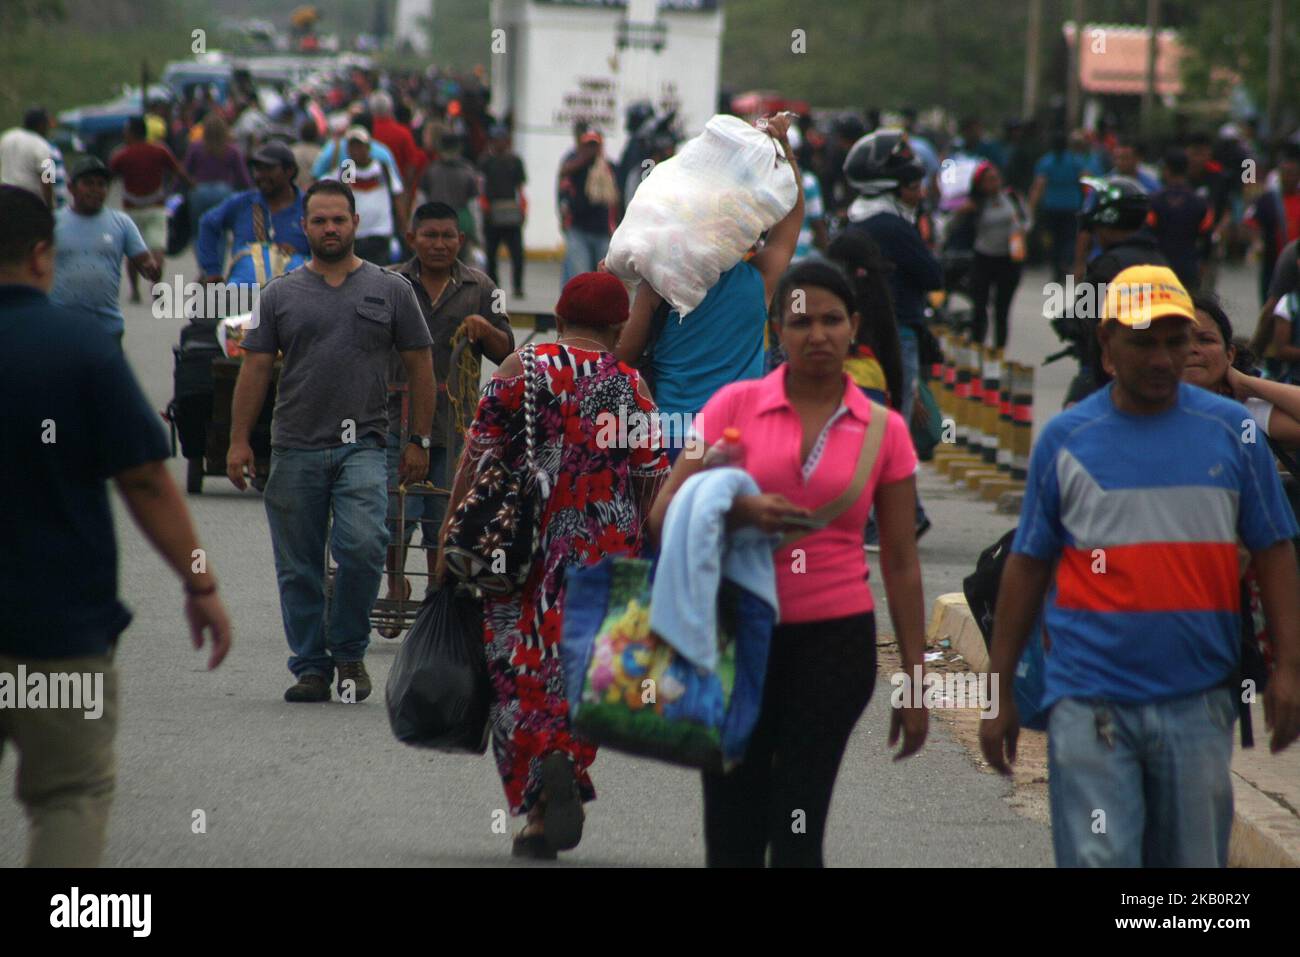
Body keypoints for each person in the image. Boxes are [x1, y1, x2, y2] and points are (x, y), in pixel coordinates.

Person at [981, 265, 1300, 868]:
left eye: (1175, 340)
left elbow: (1275, 548)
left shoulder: (1234, 434)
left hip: (1198, 701)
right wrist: (1002, 691)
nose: (1162, 357)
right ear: (1107, 348)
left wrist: (1288, 669)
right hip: (1088, 701)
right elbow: (1027, 565)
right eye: (1143, 341)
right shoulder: (1067, 440)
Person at [648, 260, 929, 867]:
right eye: (800, 322)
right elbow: (663, 513)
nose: (817, 335)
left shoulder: (886, 430)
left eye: (832, 320)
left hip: (834, 646)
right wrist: (735, 511)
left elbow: (902, 564)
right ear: (776, 329)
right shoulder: (730, 405)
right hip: (733, 638)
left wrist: (912, 680)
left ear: (854, 326)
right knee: (733, 826)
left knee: (799, 828)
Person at [0, 185, 232, 867]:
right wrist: (201, 582)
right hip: (59, 630)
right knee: (70, 794)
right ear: (43, 255)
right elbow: (144, 479)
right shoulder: (80, 347)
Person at [437, 272, 670, 858]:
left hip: (514, 546)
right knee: (588, 670)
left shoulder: (519, 368)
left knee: (515, 666)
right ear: (619, 327)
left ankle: (538, 801)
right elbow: (649, 479)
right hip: (605, 548)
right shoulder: (631, 385)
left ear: (561, 316)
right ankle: (566, 757)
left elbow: (479, 454)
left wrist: (448, 532)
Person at [227, 180, 434, 703]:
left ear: (356, 223)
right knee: (298, 564)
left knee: (363, 547)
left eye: (338, 219)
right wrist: (238, 442)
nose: (330, 228)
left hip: (364, 445)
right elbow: (253, 369)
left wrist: (420, 440)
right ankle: (311, 667)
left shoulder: (391, 290)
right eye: (319, 220)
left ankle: (348, 652)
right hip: (295, 445)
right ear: (304, 226)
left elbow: (421, 367)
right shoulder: (280, 294)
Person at [615, 113, 804, 460]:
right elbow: (791, 221)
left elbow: (622, 357)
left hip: (672, 436)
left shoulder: (661, 282)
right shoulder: (758, 280)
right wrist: (785, 151)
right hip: (737, 439)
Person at [381, 201, 514, 624]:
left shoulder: (481, 287)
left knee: (445, 513)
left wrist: (484, 328)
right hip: (393, 417)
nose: (439, 244)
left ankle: (435, 593)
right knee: (394, 511)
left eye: (448, 236)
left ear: (461, 240)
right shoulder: (389, 283)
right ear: (412, 238)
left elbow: (507, 350)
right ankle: (394, 581)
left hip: (455, 424)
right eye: (430, 236)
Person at [843, 127, 941, 539]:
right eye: (913, 185)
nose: (920, 192)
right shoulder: (893, 226)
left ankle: (907, 515)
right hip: (898, 332)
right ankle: (877, 522)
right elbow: (932, 273)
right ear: (890, 186)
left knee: (878, 422)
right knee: (892, 428)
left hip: (871, 333)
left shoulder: (857, 217)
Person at [1063, 175, 1168, 404]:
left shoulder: (1108, 266)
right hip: (1159, 371)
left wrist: (1070, 323)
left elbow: (1089, 323)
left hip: (1112, 375)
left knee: (1071, 420)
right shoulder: (1160, 261)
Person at [49, 157, 160, 341]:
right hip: (61, 327)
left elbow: (145, 263)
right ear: (71, 188)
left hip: (107, 327)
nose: (95, 190)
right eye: (88, 183)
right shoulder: (52, 223)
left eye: (101, 185)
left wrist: (152, 269)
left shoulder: (122, 223)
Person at [1184, 294, 1300, 446]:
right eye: (1179, 341)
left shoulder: (1244, 409)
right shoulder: (1146, 410)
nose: (1192, 349)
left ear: (1229, 355)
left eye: (1206, 340)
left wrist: (1247, 384)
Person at [197, 141, 309, 289]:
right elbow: (208, 223)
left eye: (269, 169)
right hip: (243, 294)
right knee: (201, 308)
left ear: (289, 171)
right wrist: (212, 271)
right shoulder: (242, 203)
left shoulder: (308, 206)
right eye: (257, 169)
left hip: (294, 293)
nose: (261, 175)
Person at [109, 116, 193, 302]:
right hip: (156, 207)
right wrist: (187, 186)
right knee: (157, 250)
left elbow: (109, 178)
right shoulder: (159, 151)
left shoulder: (122, 155)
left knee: (133, 252)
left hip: (131, 211)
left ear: (131, 132)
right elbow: (179, 172)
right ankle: (156, 286)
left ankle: (135, 291)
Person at [955, 161, 1026, 349]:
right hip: (984, 258)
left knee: (1001, 310)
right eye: (988, 180)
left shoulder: (1011, 197)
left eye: (995, 179)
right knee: (979, 306)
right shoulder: (976, 204)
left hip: (1009, 259)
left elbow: (1026, 220)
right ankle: (978, 345)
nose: (993, 183)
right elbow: (956, 226)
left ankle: (998, 351)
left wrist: (1020, 233)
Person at [322, 126, 403, 265]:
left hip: (381, 234)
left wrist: (402, 228)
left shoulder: (381, 168)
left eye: (359, 146)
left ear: (368, 148)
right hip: (355, 237)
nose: (356, 151)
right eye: (352, 147)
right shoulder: (347, 168)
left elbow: (397, 196)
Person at [182, 112, 251, 271]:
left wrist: (177, 191)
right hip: (223, 193)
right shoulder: (231, 150)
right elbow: (243, 177)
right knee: (220, 234)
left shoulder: (196, 147)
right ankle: (216, 270)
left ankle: (204, 267)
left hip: (199, 192)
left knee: (199, 232)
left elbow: (185, 172)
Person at [1146, 150, 1212, 293]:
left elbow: (1147, 233)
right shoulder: (1200, 203)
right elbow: (1207, 239)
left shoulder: (1153, 202)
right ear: (1187, 169)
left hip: (1159, 266)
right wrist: (1202, 267)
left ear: (1167, 170)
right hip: (1188, 268)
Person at [558, 129, 618, 283]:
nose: (591, 149)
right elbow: (563, 182)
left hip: (602, 231)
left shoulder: (609, 168)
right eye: (588, 145)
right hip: (578, 230)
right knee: (580, 276)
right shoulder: (572, 166)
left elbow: (617, 199)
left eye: (594, 145)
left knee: (604, 279)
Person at [1029, 132, 1088, 284]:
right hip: (1071, 206)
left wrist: (1032, 207)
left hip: (1052, 206)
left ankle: (1057, 268)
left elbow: (1039, 185)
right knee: (1069, 238)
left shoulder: (1046, 162)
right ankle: (1065, 263)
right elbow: (1085, 181)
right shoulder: (1075, 161)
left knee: (1054, 239)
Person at [1246, 143, 1300, 306]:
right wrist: (1257, 243)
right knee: (1271, 303)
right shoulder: (1268, 200)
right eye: (1286, 174)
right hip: (1273, 263)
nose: (1290, 178)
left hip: (1297, 262)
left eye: (1294, 174)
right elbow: (1252, 223)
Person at [478, 124, 528, 297]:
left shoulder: (515, 161)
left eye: (502, 140)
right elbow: (481, 186)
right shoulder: (485, 161)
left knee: (517, 254)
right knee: (491, 254)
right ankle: (493, 287)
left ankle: (518, 286)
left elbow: (520, 189)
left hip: (510, 211)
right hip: (492, 211)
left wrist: (523, 208)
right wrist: (484, 207)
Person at [368, 90, 423, 230]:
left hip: (368, 193)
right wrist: (406, 190)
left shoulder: (366, 134)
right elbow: (412, 165)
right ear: (390, 109)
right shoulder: (403, 133)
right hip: (396, 195)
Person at [1186, 131, 1231, 294]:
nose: (1197, 158)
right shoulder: (1180, 176)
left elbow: (1226, 211)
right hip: (1184, 243)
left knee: (1206, 292)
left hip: (1209, 242)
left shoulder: (1219, 177)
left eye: (1202, 153)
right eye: (1194, 153)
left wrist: (1218, 234)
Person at [419, 133, 480, 251]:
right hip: (460, 223)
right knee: (460, 263)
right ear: (459, 148)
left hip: (434, 223)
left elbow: (420, 201)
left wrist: (416, 226)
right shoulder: (467, 171)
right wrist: (478, 233)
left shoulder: (431, 170)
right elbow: (474, 206)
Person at [0, 107, 55, 207]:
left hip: (4, 197)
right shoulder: (43, 146)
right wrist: (49, 207)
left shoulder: (7, 136)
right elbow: (47, 181)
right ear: (41, 125)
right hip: (28, 202)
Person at [290, 120, 322, 192]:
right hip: (312, 193)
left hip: (293, 192)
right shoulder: (320, 154)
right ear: (316, 135)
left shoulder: (291, 151)